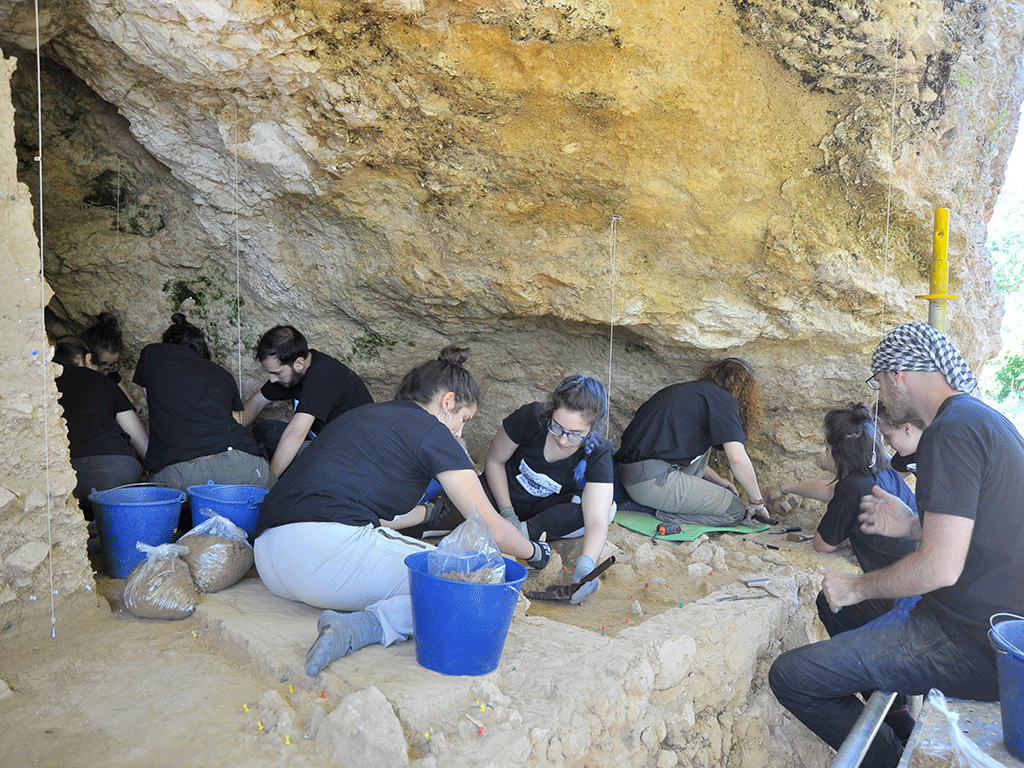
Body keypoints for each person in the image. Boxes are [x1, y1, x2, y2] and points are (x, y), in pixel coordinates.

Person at [769, 322, 1024, 768]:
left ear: (897, 375)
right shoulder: (984, 420)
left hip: (967, 641)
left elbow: (941, 568)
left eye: (879, 383)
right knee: (837, 609)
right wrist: (912, 528)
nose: (881, 399)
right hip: (992, 632)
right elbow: (985, 538)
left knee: (792, 675)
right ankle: (901, 722)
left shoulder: (951, 431)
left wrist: (858, 587)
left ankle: (894, 759)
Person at [253, 346, 551, 675]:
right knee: (470, 583)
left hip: (269, 559)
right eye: (464, 419)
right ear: (448, 403)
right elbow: (491, 528)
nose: (461, 432)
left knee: (424, 563)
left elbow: (375, 517)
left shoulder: (363, 415)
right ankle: (365, 626)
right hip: (323, 554)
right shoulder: (432, 431)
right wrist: (536, 552)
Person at [481, 375, 615, 604]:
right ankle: (507, 533)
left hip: (541, 513)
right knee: (457, 506)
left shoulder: (598, 451)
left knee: (604, 509)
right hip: (502, 494)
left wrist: (586, 564)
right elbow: (494, 462)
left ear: (592, 429)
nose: (563, 441)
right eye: (557, 427)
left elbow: (596, 520)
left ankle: (514, 536)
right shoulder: (530, 418)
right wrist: (506, 512)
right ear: (550, 412)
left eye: (576, 434)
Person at [615, 358, 768, 526]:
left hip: (630, 476)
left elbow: (676, 450)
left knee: (709, 440)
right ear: (745, 390)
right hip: (654, 482)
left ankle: (658, 503)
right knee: (735, 511)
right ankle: (658, 512)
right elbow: (737, 459)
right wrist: (756, 503)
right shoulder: (725, 400)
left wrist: (718, 480)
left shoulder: (688, 393)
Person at [133, 313, 272, 492]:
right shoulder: (221, 373)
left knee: (157, 490)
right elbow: (237, 421)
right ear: (202, 350)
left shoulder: (152, 354)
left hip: (182, 478)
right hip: (243, 468)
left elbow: (153, 401)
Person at [240, 325, 373, 477]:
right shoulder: (293, 372)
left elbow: (296, 432)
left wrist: (268, 481)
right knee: (264, 430)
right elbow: (257, 402)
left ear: (299, 364)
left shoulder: (321, 377)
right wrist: (227, 432)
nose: (272, 379)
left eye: (276, 373)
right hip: (322, 444)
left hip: (351, 457)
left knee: (292, 450)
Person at [53, 336, 148, 510]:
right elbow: (139, 439)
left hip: (67, 477)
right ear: (88, 359)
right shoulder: (104, 381)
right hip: (119, 470)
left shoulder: (47, 384)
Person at [81, 311, 135, 405]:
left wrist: (135, 406)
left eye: (112, 365)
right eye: (102, 364)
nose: (106, 373)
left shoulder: (110, 371)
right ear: (88, 358)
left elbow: (129, 400)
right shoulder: (78, 378)